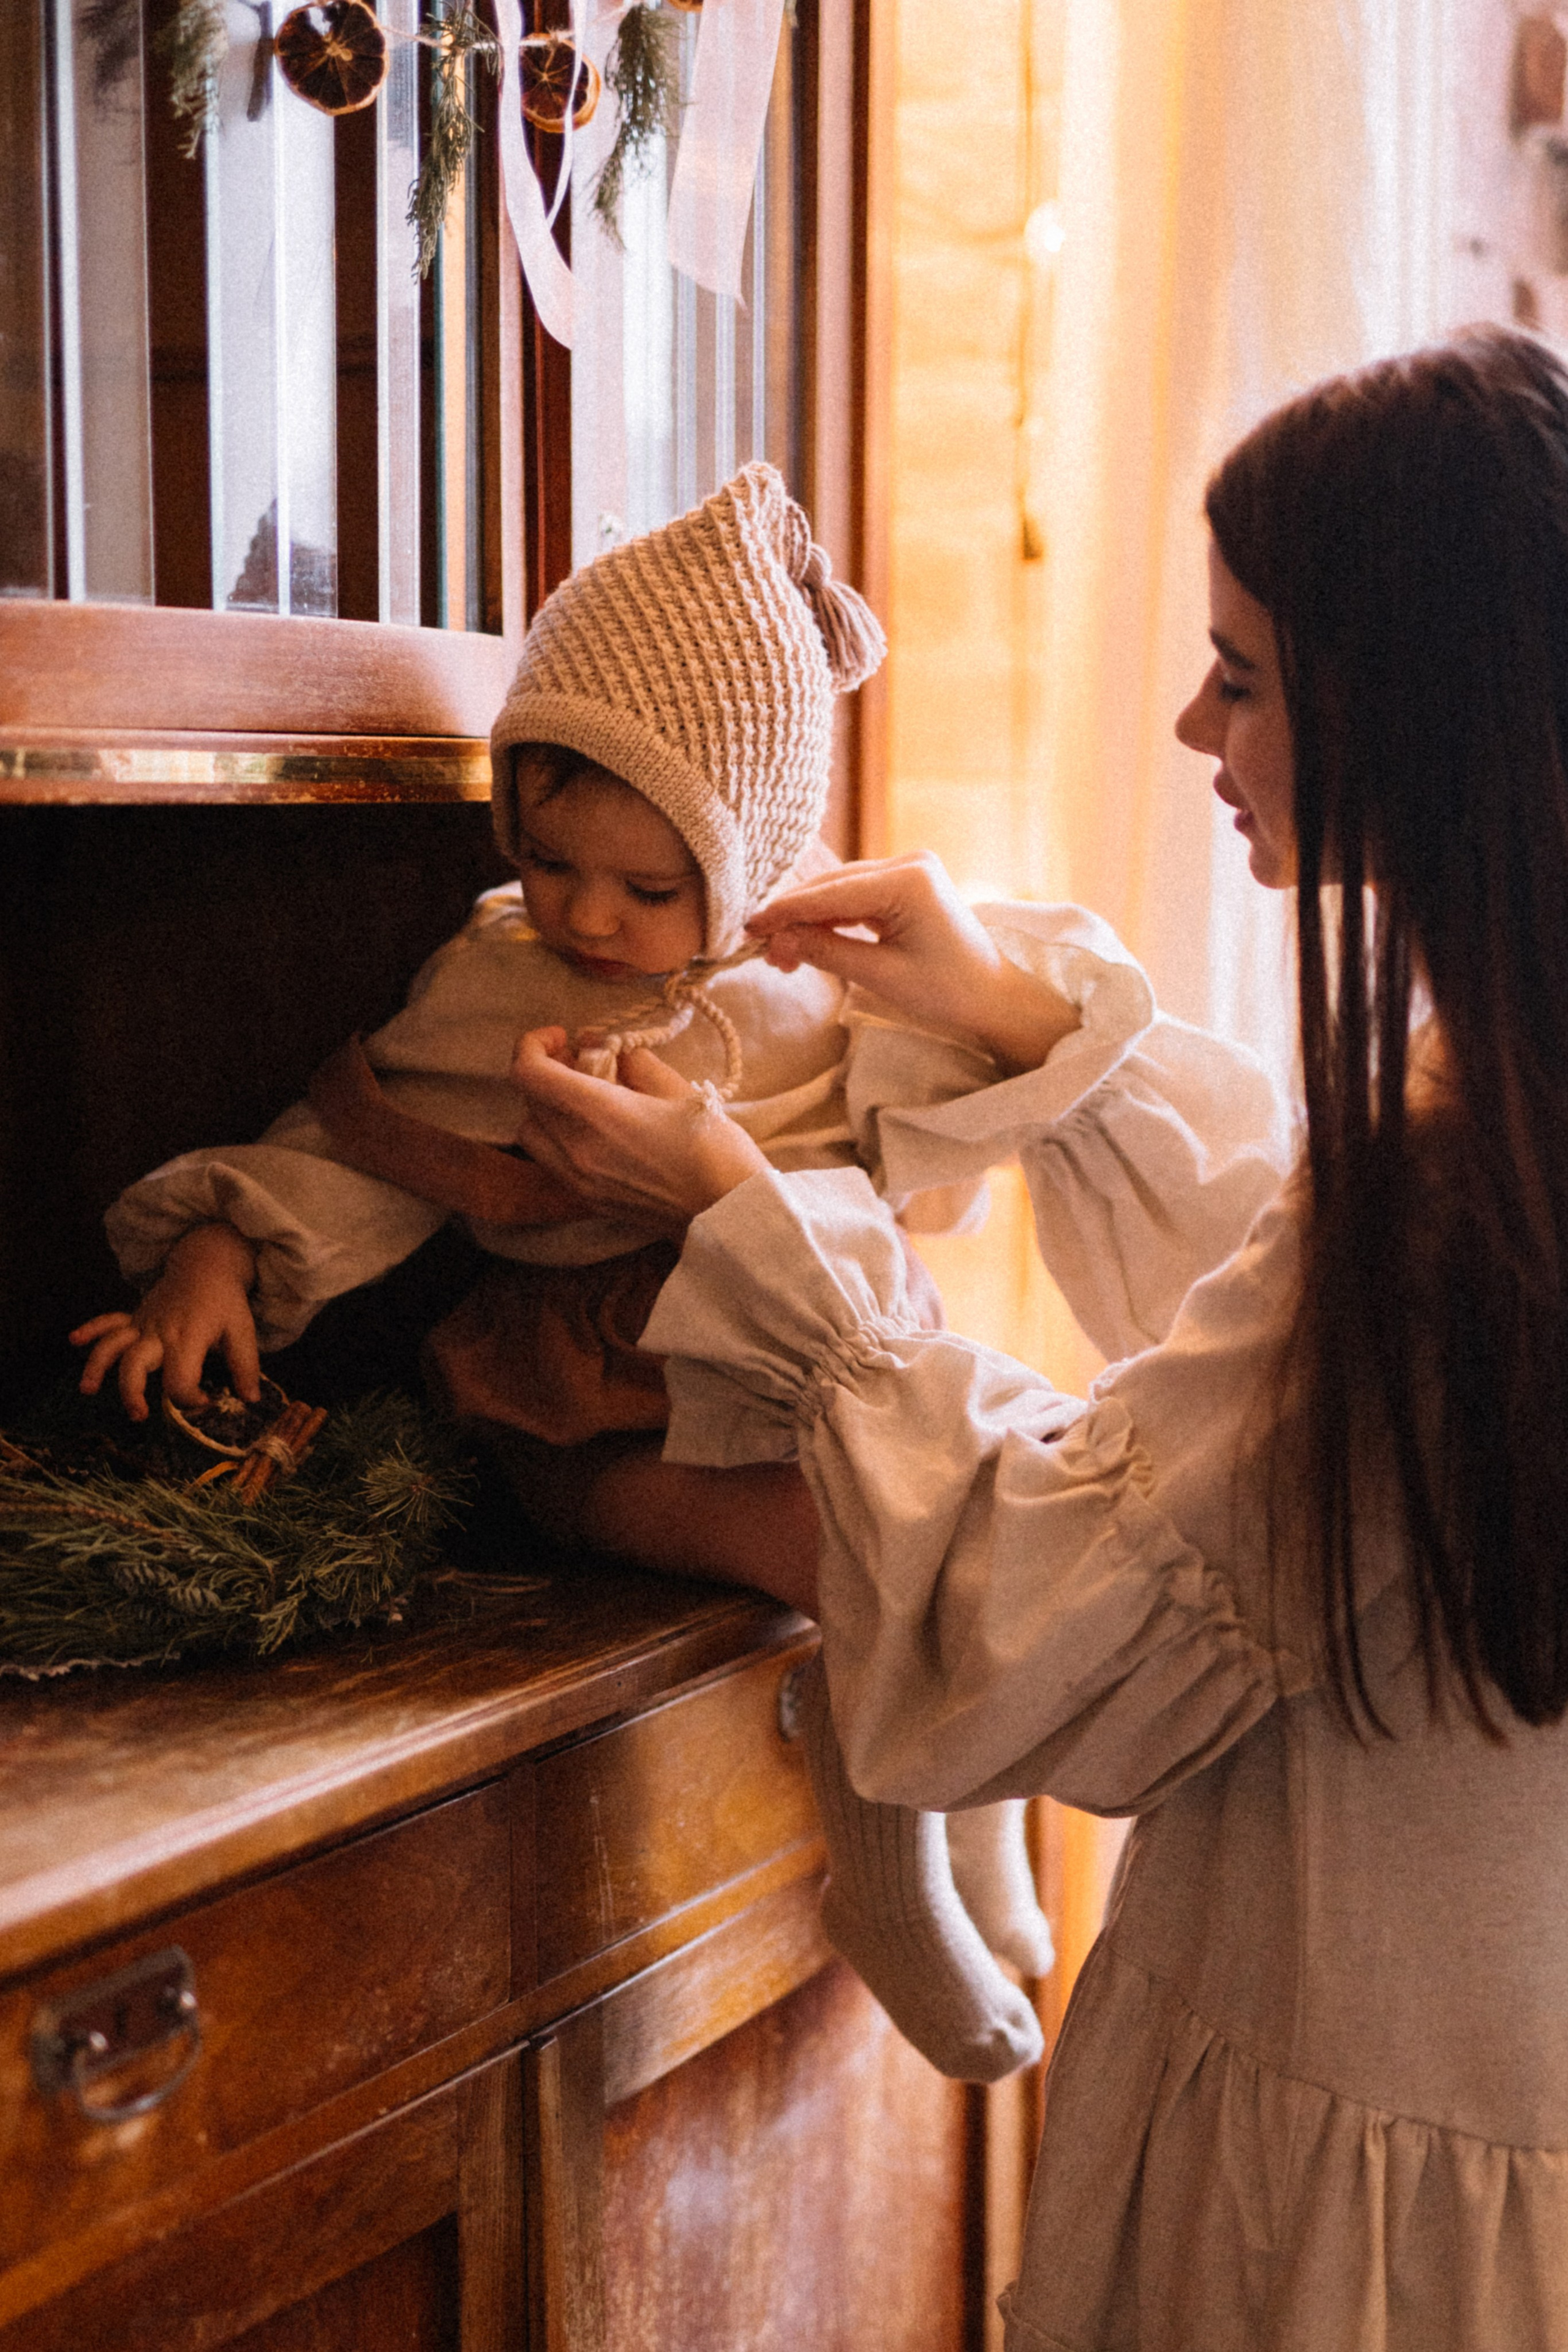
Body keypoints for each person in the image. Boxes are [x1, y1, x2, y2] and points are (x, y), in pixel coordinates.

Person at [505, 324, 1568, 2348]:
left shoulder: (1450, 1183)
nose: (1190, 724)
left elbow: (1052, 1622)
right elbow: (1291, 1362)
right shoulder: (1509, 1111)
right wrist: (1022, 1028)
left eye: (1242, 678)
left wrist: (753, 1226)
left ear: (1411, 710)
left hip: (1377, 2205)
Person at [70, 462, 1058, 2086]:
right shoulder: (501, 981)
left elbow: (940, 1165)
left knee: (1000, 1493)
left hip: (813, 1364)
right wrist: (220, 1245)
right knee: (868, 1543)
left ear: (748, 855)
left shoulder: (818, 987)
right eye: (549, 860)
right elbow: (368, 1138)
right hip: (591, 1415)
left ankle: (985, 1812)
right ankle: (890, 1891)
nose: (588, 916)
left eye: (650, 888)